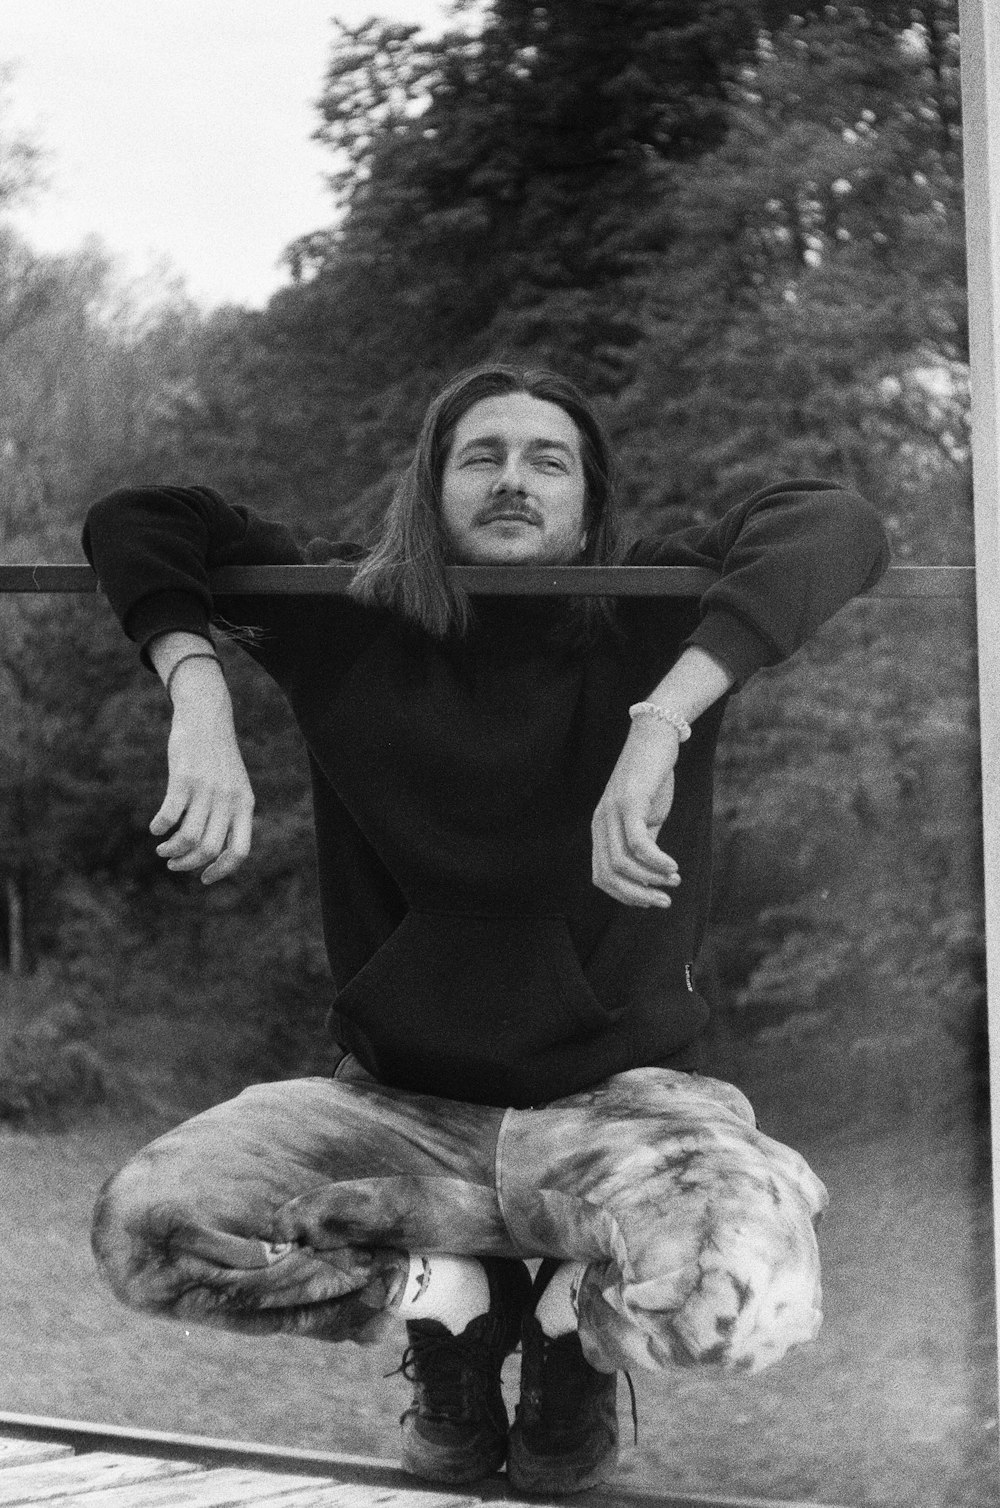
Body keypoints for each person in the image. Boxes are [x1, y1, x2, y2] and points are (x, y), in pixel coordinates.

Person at [81, 364, 889, 1496]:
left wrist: (659, 721)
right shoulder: (345, 619)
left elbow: (835, 521)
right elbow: (140, 519)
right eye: (483, 455)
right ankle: (443, 1300)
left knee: (738, 1299)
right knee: (148, 1230)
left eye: (546, 458)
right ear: (432, 483)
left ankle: (568, 1326)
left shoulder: (653, 606)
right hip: (393, 1103)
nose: (514, 479)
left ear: (588, 496)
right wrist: (199, 686)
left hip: (626, 1100)